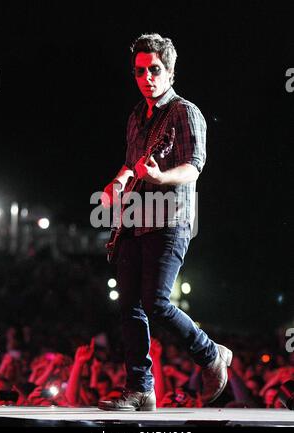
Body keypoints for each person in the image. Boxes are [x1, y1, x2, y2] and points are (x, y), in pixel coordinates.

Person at [98, 33, 232, 411]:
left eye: (154, 69)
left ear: (170, 71)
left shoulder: (185, 112)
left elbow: (194, 167)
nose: (146, 77)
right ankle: (140, 388)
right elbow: (131, 163)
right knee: (129, 307)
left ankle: (211, 355)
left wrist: (160, 178)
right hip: (135, 221)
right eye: (139, 71)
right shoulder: (136, 117)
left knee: (155, 302)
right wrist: (120, 180)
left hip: (170, 218)